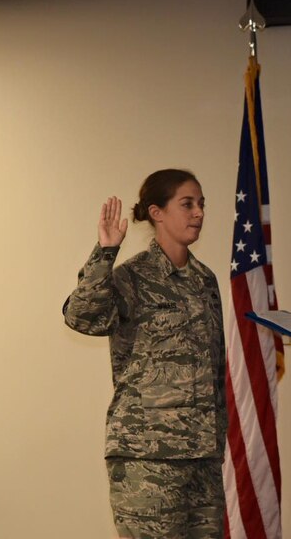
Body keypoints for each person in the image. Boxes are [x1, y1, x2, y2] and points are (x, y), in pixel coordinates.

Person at [63, 169, 227, 539]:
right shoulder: (130, 277)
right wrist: (105, 252)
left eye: (201, 204)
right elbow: (81, 317)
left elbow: (217, 366)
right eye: (187, 204)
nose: (199, 213)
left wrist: (217, 442)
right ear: (157, 212)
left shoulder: (206, 281)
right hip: (147, 459)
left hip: (202, 458)